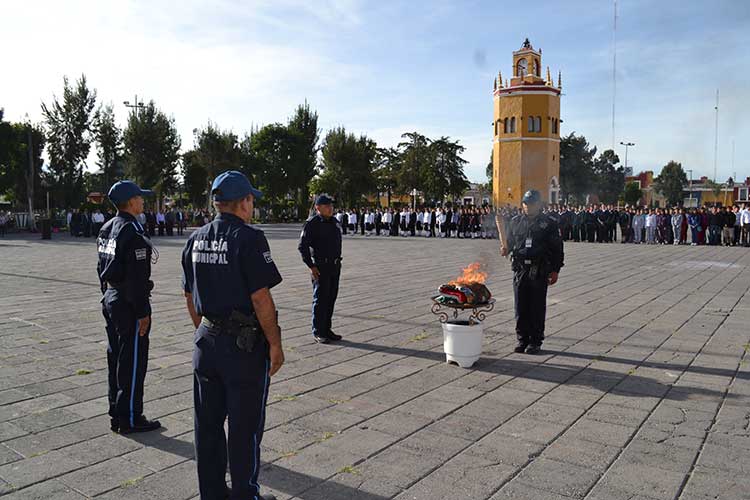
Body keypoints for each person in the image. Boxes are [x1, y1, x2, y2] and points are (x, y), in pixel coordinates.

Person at [181, 170, 283, 500]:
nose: (252, 206)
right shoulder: (249, 238)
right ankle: (244, 495)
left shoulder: (194, 239)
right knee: (244, 428)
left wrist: (206, 329)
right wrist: (275, 342)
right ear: (243, 202)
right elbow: (260, 297)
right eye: (251, 199)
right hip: (242, 348)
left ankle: (211, 494)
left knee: (207, 427)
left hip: (206, 340)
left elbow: (188, 295)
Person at [97, 180, 161, 434]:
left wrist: (106, 294)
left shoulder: (106, 228)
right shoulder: (133, 232)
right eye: (140, 197)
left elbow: (100, 268)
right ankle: (131, 417)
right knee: (133, 361)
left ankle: (116, 411)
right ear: (131, 201)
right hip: (128, 303)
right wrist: (143, 312)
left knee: (116, 358)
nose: (143, 201)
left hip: (111, 297)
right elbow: (136, 279)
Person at [501, 190, 563, 355]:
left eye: (532, 203)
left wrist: (555, 270)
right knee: (520, 307)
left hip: (539, 270)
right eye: (526, 203)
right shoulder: (515, 222)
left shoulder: (549, 223)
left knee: (536, 307)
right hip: (520, 269)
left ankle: (535, 341)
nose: (528, 207)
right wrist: (505, 249)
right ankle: (522, 339)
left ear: (538, 205)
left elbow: (557, 248)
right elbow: (510, 243)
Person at [299, 195, 343, 344]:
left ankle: (327, 329)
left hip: (335, 266)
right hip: (320, 267)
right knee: (320, 299)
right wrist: (311, 266)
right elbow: (302, 246)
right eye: (327, 206)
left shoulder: (334, 222)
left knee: (331, 298)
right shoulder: (312, 224)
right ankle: (318, 331)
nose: (331, 208)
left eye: (331, 205)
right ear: (318, 208)